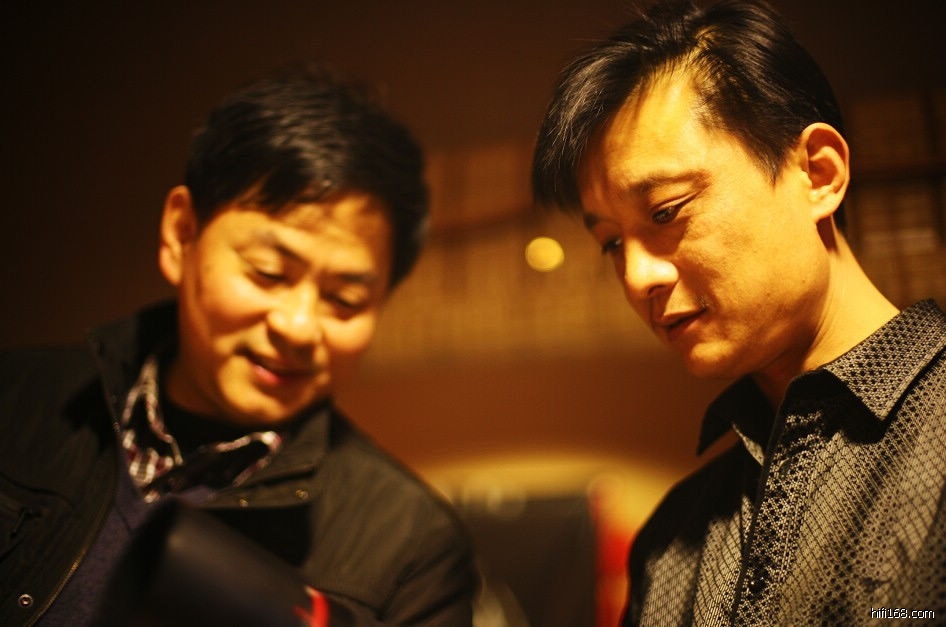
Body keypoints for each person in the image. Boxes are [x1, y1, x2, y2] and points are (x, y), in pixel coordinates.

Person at [0, 67, 476, 626]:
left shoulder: (411, 548)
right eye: (268, 272)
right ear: (182, 235)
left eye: (344, 300)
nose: (299, 327)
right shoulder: (16, 400)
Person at [531, 0, 946, 624]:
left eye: (665, 211)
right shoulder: (672, 539)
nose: (637, 277)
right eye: (612, 243)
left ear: (818, 174)